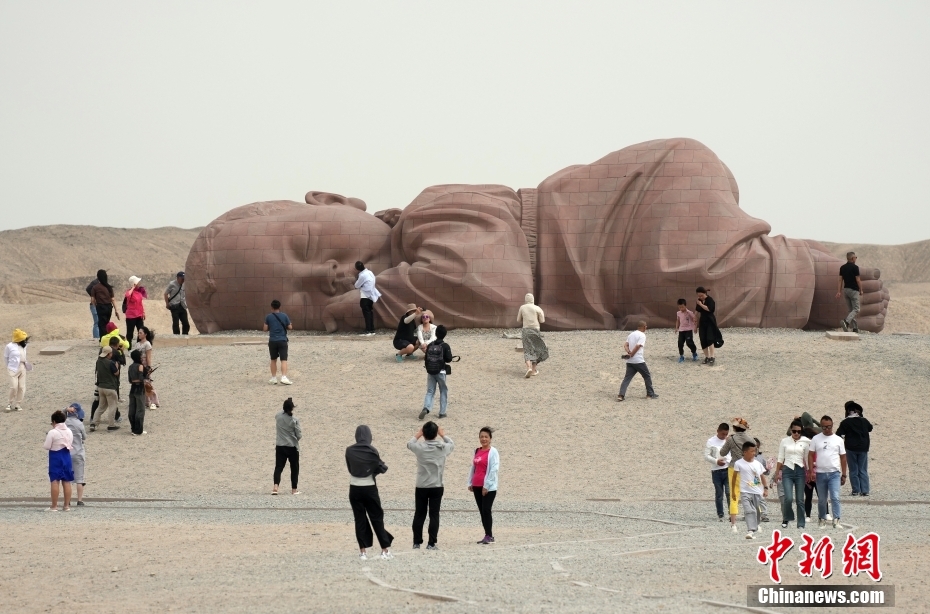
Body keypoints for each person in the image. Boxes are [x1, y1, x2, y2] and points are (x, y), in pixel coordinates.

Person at [188, 140, 890, 335]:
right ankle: (827, 288)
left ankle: (822, 278)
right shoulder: (405, 271)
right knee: (688, 290)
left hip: (633, 209)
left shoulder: (434, 213)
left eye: (312, 248)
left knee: (677, 271)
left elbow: (491, 285)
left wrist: (378, 306)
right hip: (608, 279)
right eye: (304, 299)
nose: (334, 275)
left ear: (335, 199)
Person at [345, 425, 394, 560]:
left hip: (354, 488)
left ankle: (363, 552)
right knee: (376, 518)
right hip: (369, 487)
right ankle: (384, 550)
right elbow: (380, 467)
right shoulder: (372, 450)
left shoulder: (349, 450)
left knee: (359, 519)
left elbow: (350, 468)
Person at [407, 421, 454, 550]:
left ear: (424, 434)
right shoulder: (442, 448)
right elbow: (452, 444)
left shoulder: (420, 448)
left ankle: (416, 542)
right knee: (434, 515)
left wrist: (418, 434)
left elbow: (409, 444)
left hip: (421, 485)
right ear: (435, 434)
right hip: (436, 485)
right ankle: (431, 543)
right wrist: (443, 434)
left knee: (419, 514)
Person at [808, 415, 847, 529]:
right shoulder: (816, 439)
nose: (827, 429)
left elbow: (843, 457)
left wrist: (844, 474)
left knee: (835, 497)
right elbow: (810, 455)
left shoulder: (838, 440)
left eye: (829, 427)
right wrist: (811, 471)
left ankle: (836, 519)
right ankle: (822, 519)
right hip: (820, 472)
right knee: (822, 499)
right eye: (824, 427)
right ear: (821, 426)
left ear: (832, 426)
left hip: (834, 472)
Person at [774, 418, 810, 529]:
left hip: (800, 470)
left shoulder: (805, 441)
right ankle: (787, 518)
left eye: (799, 431)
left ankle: (801, 523)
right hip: (787, 469)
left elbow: (806, 457)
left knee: (800, 499)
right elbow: (781, 457)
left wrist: (809, 472)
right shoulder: (784, 441)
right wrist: (777, 472)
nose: (796, 434)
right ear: (791, 430)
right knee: (788, 498)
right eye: (794, 431)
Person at [719, 417, 754, 533]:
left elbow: (722, 452)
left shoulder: (731, 440)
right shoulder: (751, 440)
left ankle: (734, 524)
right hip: (749, 469)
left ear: (734, 428)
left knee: (734, 495)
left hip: (734, 468)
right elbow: (756, 453)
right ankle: (755, 522)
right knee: (753, 494)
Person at [467, 427, 499, 544]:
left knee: (486, 510)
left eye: (486, 437)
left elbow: (494, 469)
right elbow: (473, 467)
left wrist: (487, 485)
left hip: (488, 487)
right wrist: (470, 482)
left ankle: (489, 535)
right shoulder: (477, 451)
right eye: (481, 437)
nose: (483, 439)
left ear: (490, 438)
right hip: (476, 485)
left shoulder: (493, 452)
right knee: (482, 511)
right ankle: (487, 534)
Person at [732, 441, 769, 540]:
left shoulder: (758, 464)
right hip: (745, 491)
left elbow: (762, 477)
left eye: (755, 451)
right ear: (744, 452)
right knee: (749, 510)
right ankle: (750, 531)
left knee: (756, 511)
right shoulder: (738, 463)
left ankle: (755, 526)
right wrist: (733, 492)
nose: (754, 453)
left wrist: (765, 488)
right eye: (752, 451)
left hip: (757, 492)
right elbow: (734, 478)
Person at [837, 400, 873, 497]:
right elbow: (870, 428)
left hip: (850, 448)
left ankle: (856, 490)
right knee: (863, 469)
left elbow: (838, 434)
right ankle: (865, 490)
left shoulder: (845, 422)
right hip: (863, 447)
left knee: (853, 470)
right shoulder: (864, 421)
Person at [617, 321, 657, 401]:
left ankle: (621, 395)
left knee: (627, 378)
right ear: (644, 327)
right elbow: (638, 346)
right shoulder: (642, 335)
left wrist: (628, 352)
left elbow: (625, 344)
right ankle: (650, 394)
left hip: (630, 362)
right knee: (647, 376)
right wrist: (632, 354)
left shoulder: (631, 334)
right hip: (638, 360)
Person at [420, 325, 452, 420]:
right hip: (441, 371)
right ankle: (442, 412)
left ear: (436, 333)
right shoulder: (445, 346)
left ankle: (426, 407)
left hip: (430, 371)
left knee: (430, 391)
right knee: (443, 390)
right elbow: (449, 359)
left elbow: (426, 358)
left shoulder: (430, 345)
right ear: (445, 335)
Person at [43, 411, 74, 511]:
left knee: (55, 481)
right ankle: (66, 506)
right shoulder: (69, 431)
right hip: (66, 455)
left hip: (55, 456)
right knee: (67, 481)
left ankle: (54, 506)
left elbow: (47, 446)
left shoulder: (53, 432)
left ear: (54, 421)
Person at [272, 397, 301, 495]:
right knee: (294, 468)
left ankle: (276, 486)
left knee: (279, 467)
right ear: (292, 408)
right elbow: (299, 435)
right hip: (292, 446)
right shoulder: (294, 420)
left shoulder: (278, 416)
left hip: (280, 445)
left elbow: (281, 414)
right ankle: (294, 489)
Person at [703, 422, 731, 522]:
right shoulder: (711, 441)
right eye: (723, 434)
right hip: (716, 471)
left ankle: (731, 513)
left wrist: (727, 462)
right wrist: (716, 461)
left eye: (726, 434)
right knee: (719, 493)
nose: (724, 436)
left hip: (727, 469)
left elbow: (731, 454)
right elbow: (706, 455)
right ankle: (720, 514)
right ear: (718, 431)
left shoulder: (728, 440)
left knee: (728, 492)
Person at [517, 293, 548, 378]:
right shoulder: (537, 308)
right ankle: (534, 370)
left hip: (526, 330)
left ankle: (528, 368)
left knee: (527, 349)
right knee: (536, 349)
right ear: (533, 299)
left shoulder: (522, 307)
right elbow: (542, 320)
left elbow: (518, 319)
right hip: (535, 330)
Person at [264, 300, 293, 385]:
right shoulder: (284, 316)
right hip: (282, 340)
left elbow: (265, 329)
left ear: (271, 307)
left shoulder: (268, 317)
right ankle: (283, 377)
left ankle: (273, 378)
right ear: (279, 307)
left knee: (273, 360)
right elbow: (290, 327)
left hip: (272, 340)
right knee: (283, 359)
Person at [92, 346, 120, 432]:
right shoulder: (110, 363)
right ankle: (111, 424)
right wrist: (117, 366)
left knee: (101, 407)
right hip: (110, 388)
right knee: (112, 406)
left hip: (101, 387)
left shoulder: (98, 361)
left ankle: (94, 423)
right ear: (108, 354)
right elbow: (116, 373)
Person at [64, 404, 87, 506]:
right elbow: (84, 437)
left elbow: (59, 414)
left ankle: (68, 500)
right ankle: (79, 500)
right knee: (79, 478)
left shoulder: (64, 423)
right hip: (78, 452)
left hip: (67, 453)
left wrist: (65, 409)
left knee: (68, 478)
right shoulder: (79, 424)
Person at [4, 329, 32, 412]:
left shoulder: (24, 345)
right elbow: (6, 357)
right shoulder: (9, 346)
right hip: (12, 368)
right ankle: (9, 403)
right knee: (13, 387)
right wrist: (9, 366)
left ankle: (18, 404)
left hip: (22, 367)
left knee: (21, 387)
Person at [133, 326, 159, 409]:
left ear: (145, 334)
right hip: (138, 365)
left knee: (147, 384)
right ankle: (145, 401)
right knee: (139, 383)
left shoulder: (147, 344)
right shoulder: (137, 344)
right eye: (138, 333)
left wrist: (148, 367)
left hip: (144, 365)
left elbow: (148, 357)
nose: (139, 334)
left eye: (140, 333)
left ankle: (153, 401)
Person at [90, 270, 120, 341]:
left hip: (100, 307)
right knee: (107, 323)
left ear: (98, 277)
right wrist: (116, 310)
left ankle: (103, 340)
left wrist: (96, 306)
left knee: (101, 324)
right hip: (109, 307)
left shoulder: (95, 287)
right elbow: (112, 299)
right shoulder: (109, 287)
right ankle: (107, 339)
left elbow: (92, 300)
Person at [695, 287, 722, 365]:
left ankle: (712, 356)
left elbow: (710, 309)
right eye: (699, 296)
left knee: (710, 338)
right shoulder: (699, 301)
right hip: (702, 321)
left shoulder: (710, 300)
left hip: (710, 321)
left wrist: (701, 304)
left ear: (705, 294)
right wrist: (695, 319)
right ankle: (707, 357)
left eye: (701, 296)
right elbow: (697, 310)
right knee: (703, 339)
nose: (700, 297)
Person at [836, 252, 862, 332]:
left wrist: (839, 291)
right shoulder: (855, 267)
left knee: (851, 310)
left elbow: (840, 280)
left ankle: (855, 328)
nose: (856, 259)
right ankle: (846, 322)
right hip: (854, 290)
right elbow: (858, 280)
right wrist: (861, 289)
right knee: (857, 309)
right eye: (855, 257)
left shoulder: (842, 267)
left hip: (846, 290)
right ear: (852, 258)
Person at [354, 260, 381, 335]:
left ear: (357, 268)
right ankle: (371, 329)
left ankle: (368, 330)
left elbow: (356, 285)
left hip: (365, 295)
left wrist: (361, 285)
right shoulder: (370, 272)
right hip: (371, 295)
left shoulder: (362, 275)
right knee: (369, 312)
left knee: (367, 313)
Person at [127, 350, 147, 436]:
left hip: (132, 389)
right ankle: (138, 430)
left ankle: (133, 428)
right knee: (140, 409)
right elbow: (141, 378)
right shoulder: (140, 366)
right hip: (139, 388)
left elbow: (130, 380)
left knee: (132, 409)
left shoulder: (130, 367)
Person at [123, 276, 147, 342]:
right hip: (131, 316)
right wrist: (133, 287)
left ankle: (139, 345)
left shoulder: (139, 292)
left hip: (139, 315)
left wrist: (143, 312)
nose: (139, 284)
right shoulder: (129, 292)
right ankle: (129, 346)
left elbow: (140, 303)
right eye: (138, 282)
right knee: (130, 332)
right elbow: (127, 295)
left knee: (141, 330)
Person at [754, 438, 772, 522]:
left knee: (760, 497)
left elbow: (765, 472)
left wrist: (768, 468)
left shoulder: (760, 457)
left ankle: (764, 514)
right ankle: (750, 513)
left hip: (758, 480)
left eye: (757, 447)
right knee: (749, 497)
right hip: (749, 479)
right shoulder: (745, 457)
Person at [674, 299, 698, 363]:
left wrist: (695, 327)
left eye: (682, 307)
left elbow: (695, 319)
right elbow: (678, 320)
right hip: (681, 330)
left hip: (688, 329)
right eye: (679, 307)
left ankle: (694, 352)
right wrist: (676, 328)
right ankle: (681, 355)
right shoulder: (678, 313)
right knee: (680, 343)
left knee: (689, 342)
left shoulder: (689, 312)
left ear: (685, 305)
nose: (681, 308)